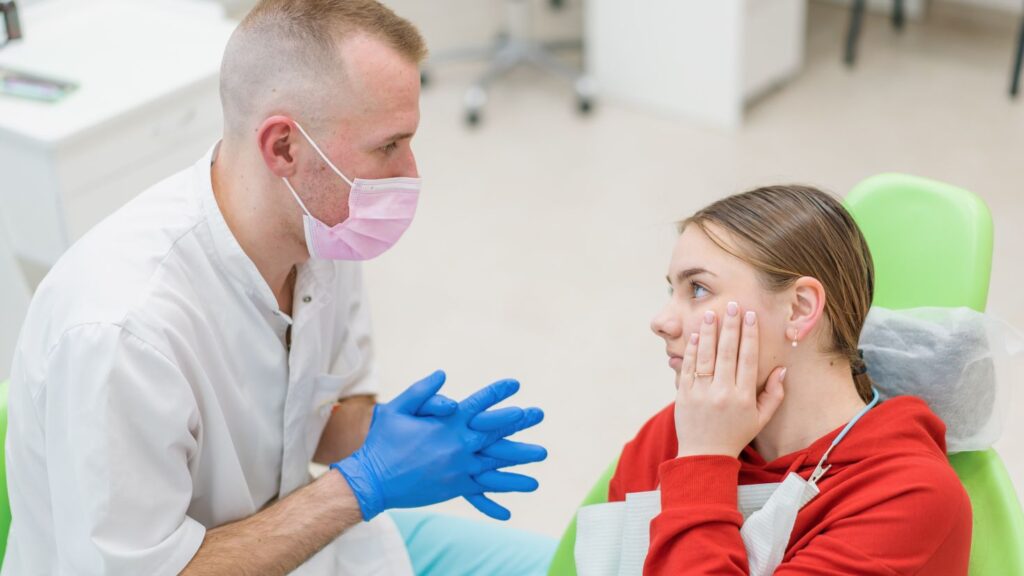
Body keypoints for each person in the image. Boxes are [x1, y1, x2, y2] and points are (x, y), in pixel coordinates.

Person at [2, 1, 552, 574]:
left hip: (315, 548)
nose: (410, 173)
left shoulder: (324, 230)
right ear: (284, 148)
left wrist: (394, 437)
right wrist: (361, 485)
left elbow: (315, 416)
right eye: (388, 146)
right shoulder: (123, 333)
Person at [610, 185, 971, 574]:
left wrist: (703, 463)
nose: (661, 322)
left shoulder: (910, 497)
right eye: (672, 289)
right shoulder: (676, 433)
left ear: (799, 309)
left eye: (698, 288)